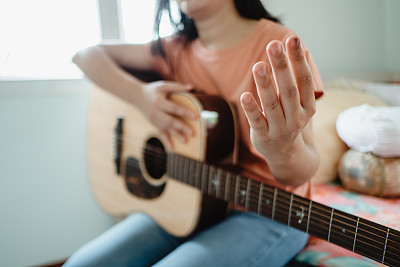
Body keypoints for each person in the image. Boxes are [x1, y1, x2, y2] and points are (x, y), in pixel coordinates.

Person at [65, 0, 324, 266]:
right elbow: (84, 56)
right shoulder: (173, 50)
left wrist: (283, 152)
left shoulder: (277, 47)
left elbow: (302, 171)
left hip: (270, 211)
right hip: (189, 198)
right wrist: (140, 96)